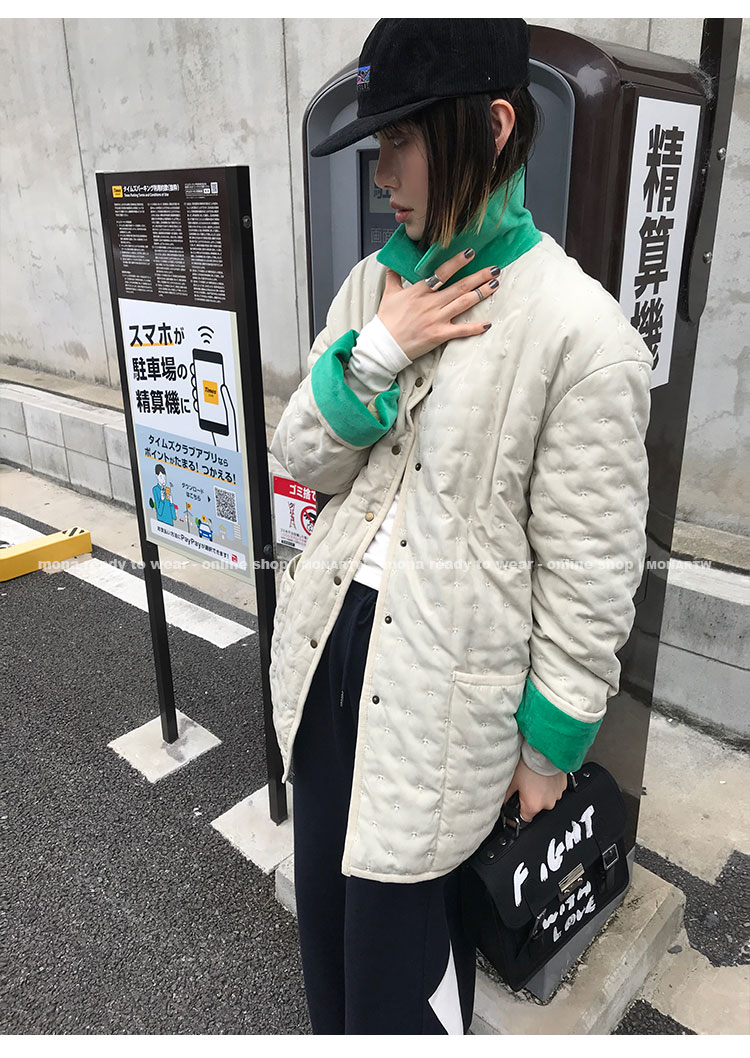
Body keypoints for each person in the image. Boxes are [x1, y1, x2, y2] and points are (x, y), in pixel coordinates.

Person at [268, 18, 652, 1035]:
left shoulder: (580, 332)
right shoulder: (375, 284)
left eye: (402, 139)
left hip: (444, 706)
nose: (381, 171)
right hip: (328, 660)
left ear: (492, 127)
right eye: (377, 142)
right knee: (330, 950)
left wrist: (549, 747)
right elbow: (303, 453)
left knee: (404, 984)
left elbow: (590, 572)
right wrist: (378, 349)